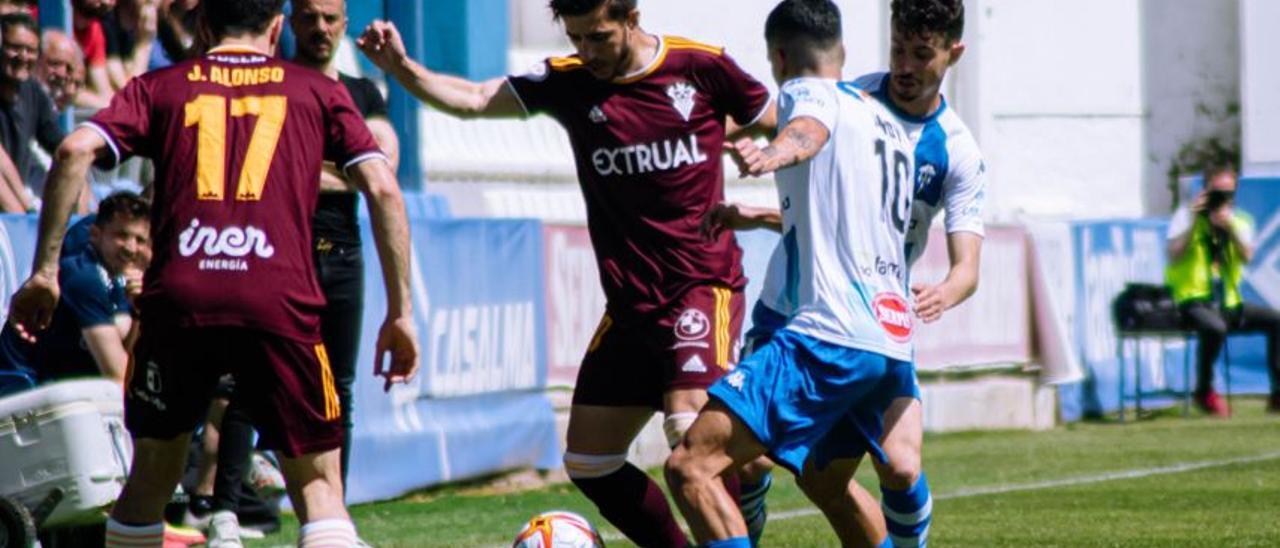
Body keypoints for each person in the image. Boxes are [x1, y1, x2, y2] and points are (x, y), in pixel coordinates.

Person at [5, 1, 419, 546]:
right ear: (277, 27)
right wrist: (401, 312)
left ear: (204, 26)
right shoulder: (315, 90)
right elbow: (385, 188)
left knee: (152, 473)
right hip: (279, 298)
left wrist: (44, 273)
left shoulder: (161, 86)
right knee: (319, 484)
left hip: (181, 299)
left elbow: (74, 147)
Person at [358, 0, 772, 544]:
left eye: (598, 37)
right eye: (576, 38)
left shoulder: (700, 67)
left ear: (631, 17)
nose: (587, 51)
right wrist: (402, 70)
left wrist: (774, 152)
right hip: (630, 307)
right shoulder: (569, 81)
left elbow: (779, 121)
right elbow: (478, 100)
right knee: (589, 461)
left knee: (686, 430)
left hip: (700, 287)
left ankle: (739, 508)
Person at [714, 0, 982, 543]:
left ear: (954, 53)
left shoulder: (957, 151)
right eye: (897, 49)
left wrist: (944, 293)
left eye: (922, 55)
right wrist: (758, 192)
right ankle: (751, 507)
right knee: (746, 465)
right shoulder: (853, 96)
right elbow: (816, 175)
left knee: (899, 467)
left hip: (874, 318)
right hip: (794, 307)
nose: (905, 66)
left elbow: (967, 268)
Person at [665, 1, 930, 547]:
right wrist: (758, 212)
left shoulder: (803, 94)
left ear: (780, 58)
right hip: (887, 345)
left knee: (691, 467)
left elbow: (808, 128)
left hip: (826, 337)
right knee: (825, 480)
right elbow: (842, 214)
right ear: (845, 52)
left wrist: (775, 153)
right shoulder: (884, 120)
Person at [187, 0, 403, 542]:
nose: (320, 29)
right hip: (280, 252)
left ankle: (336, 512)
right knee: (248, 383)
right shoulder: (273, 84)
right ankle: (225, 512)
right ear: (288, 22)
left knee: (340, 389)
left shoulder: (362, 92)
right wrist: (332, 170)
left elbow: (383, 168)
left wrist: (299, 170)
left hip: (343, 252)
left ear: (345, 21)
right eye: (309, 18)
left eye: (330, 18)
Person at [0, 191, 148, 386]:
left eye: (139, 240)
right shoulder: (83, 276)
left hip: (60, 388)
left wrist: (139, 311)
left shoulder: (116, 274)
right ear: (95, 234)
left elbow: (123, 339)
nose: (131, 248)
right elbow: (119, 377)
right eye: (121, 235)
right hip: (22, 385)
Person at [1166, 163, 1280, 416]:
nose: (1221, 198)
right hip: (1193, 300)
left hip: (1228, 302)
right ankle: (1204, 390)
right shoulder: (1186, 215)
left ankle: (1278, 393)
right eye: (1216, 192)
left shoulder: (1240, 220)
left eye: (1227, 193)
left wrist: (1229, 226)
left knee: (1276, 321)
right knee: (1213, 328)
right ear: (1205, 189)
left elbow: (1248, 255)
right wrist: (1196, 220)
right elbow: (1173, 255)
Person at [0, 13, 64, 211]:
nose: (23, 56)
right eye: (15, 48)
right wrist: (23, 213)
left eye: (30, 50)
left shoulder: (34, 91)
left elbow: (62, 147)